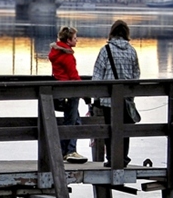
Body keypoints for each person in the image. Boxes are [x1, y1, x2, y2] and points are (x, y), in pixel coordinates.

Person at [92, 19, 141, 167]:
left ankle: (112, 158)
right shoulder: (132, 51)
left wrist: (96, 97)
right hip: (125, 99)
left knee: (110, 130)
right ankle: (123, 158)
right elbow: (136, 76)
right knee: (124, 130)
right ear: (126, 33)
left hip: (108, 100)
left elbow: (97, 76)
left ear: (112, 33)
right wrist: (131, 95)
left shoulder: (105, 50)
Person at [48, 26, 88, 163]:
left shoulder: (56, 52)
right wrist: (84, 91)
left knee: (73, 120)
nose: (77, 40)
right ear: (69, 40)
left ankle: (65, 151)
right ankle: (70, 151)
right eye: (75, 38)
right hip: (70, 91)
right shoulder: (67, 55)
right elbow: (73, 75)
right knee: (72, 121)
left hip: (60, 90)